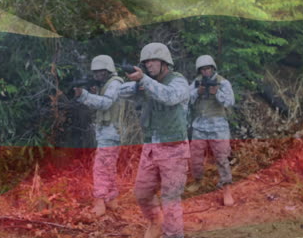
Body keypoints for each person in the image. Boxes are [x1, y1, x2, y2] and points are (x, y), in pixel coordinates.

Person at [120, 43, 190, 238]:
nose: (149, 65)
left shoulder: (178, 81)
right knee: (142, 193)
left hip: (174, 148)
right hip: (151, 147)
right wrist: (138, 82)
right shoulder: (147, 82)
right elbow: (121, 92)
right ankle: (155, 222)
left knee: (170, 199)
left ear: (164, 62)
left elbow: (170, 96)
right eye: (146, 62)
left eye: (153, 60)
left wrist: (144, 80)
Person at [74, 55, 125, 217]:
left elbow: (106, 103)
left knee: (101, 168)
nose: (97, 75)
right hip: (109, 131)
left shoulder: (115, 83)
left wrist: (84, 95)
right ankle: (111, 198)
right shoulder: (108, 84)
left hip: (111, 132)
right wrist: (94, 93)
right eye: (95, 72)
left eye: (100, 72)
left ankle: (100, 201)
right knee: (109, 166)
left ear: (108, 70)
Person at [187, 54, 235, 206]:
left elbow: (229, 102)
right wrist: (198, 92)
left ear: (213, 68)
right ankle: (198, 180)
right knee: (195, 157)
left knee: (222, 158)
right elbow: (186, 99)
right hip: (199, 126)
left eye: (208, 68)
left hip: (218, 127)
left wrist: (216, 93)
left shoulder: (222, 82)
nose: (206, 72)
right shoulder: (196, 82)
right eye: (202, 69)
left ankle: (226, 188)